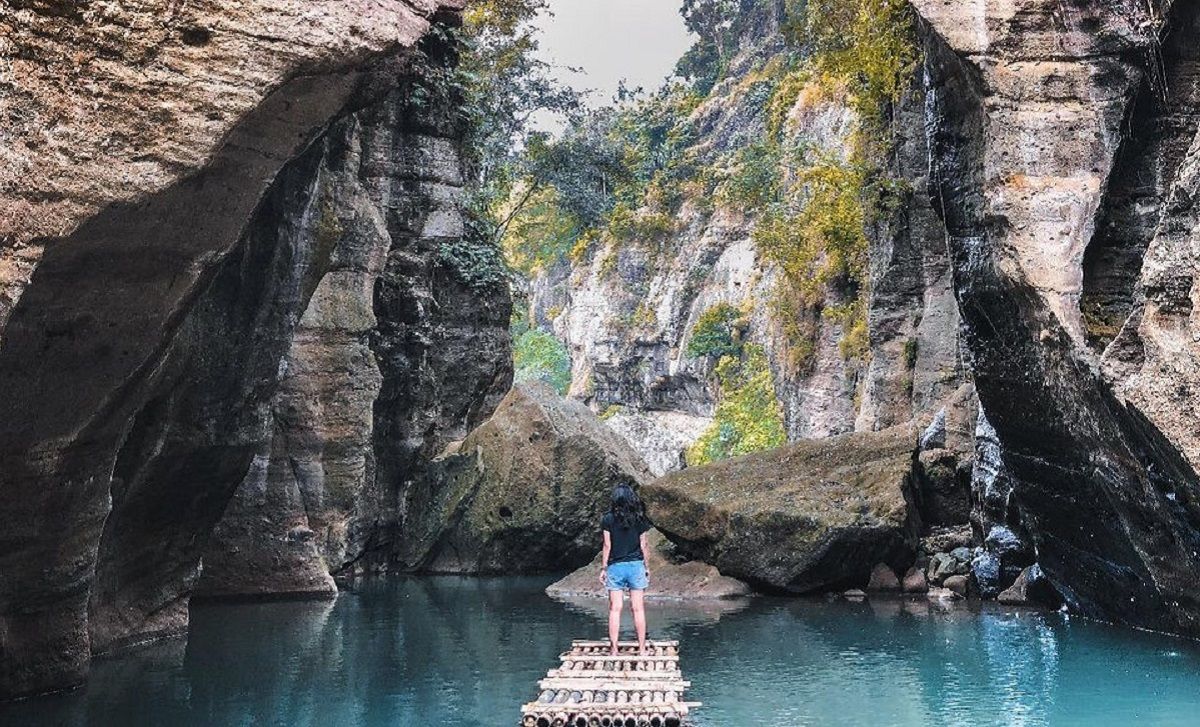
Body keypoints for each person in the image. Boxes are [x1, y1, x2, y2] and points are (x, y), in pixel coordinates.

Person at [598, 483, 652, 655]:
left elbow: (607, 545)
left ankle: (614, 650)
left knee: (615, 608)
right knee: (638, 609)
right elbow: (644, 545)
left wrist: (604, 568)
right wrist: (646, 567)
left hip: (615, 567)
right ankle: (642, 649)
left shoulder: (607, 519)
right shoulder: (640, 518)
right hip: (636, 566)